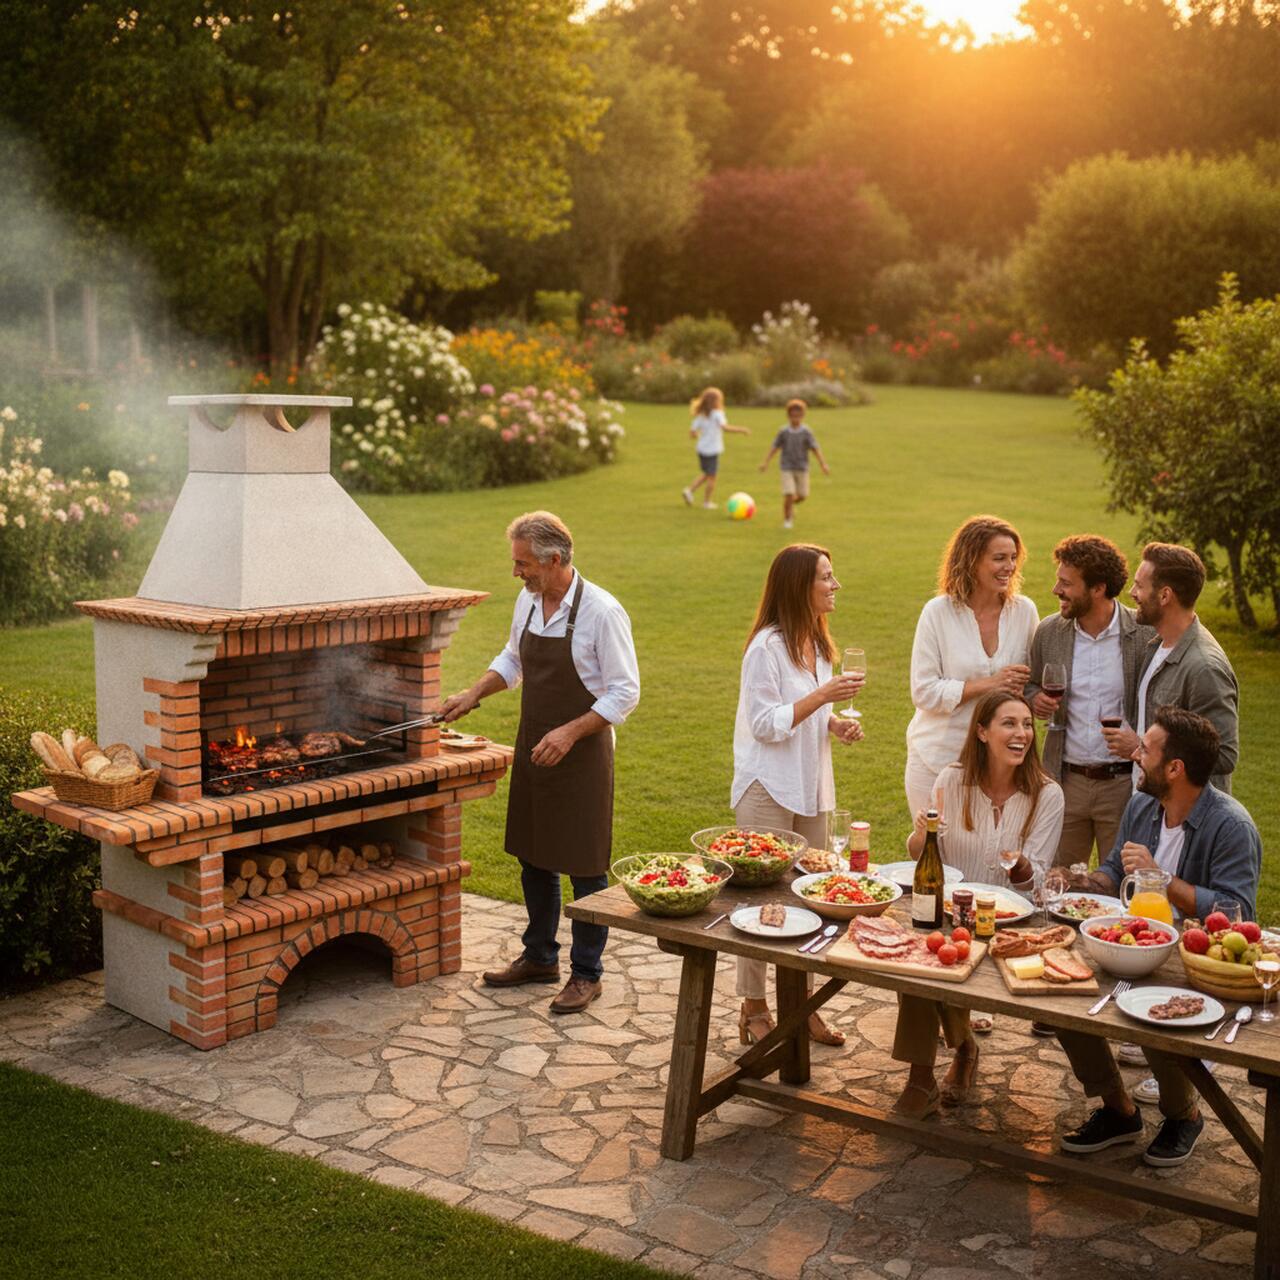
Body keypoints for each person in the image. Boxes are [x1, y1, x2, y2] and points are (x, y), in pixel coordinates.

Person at [440, 511, 640, 1015]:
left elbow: (625, 692)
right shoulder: (529, 601)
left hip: (583, 753)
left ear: (555, 560)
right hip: (536, 743)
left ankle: (587, 973)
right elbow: (514, 659)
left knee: (586, 865)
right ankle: (540, 956)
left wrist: (570, 731)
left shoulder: (602, 612)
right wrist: (473, 693)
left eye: (523, 564)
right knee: (534, 855)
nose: (517, 574)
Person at [1058, 707, 1262, 1166]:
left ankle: (1183, 1115)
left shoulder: (1231, 827)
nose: (1136, 755)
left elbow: (1239, 914)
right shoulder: (1143, 804)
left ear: (1175, 768)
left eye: (1145, 750)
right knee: (1063, 999)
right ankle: (1119, 1110)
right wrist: (1077, 886)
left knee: (1151, 1012)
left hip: (1189, 965)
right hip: (1133, 944)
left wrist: (1160, 877)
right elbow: (1113, 872)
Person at [890, 692, 1065, 1118]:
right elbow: (923, 855)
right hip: (952, 914)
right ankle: (922, 1076)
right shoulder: (950, 781)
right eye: (1009, 723)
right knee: (920, 957)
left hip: (1012, 924)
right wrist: (921, 833)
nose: (1021, 733)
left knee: (947, 955)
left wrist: (1019, 864)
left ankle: (964, 1049)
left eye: (1027, 724)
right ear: (982, 732)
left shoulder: (1047, 794)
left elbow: (1036, 881)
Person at [731, 543, 864, 1046]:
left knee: (812, 896)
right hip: (768, 785)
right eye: (826, 577)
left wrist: (833, 724)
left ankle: (803, 1008)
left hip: (810, 784)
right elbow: (766, 724)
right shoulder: (766, 648)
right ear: (798, 587)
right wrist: (823, 698)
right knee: (760, 902)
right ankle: (754, 1006)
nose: (835, 585)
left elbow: (801, 711)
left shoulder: (817, 641)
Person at [1024, 535, 1155, 867]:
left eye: (1066, 583)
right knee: (1057, 879)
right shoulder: (1050, 632)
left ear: (1098, 589)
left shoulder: (1143, 635)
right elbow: (1031, 685)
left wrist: (1138, 745)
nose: (1056, 590)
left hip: (1123, 784)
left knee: (1122, 882)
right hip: (1066, 782)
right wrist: (1035, 699)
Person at [905, 514, 1039, 818]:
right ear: (971, 560)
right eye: (999, 558)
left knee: (991, 858)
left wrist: (1036, 697)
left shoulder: (1024, 612)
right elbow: (923, 692)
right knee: (933, 855)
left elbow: (1031, 683)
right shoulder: (937, 612)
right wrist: (990, 683)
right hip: (936, 758)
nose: (1009, 567)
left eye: (1014, 558)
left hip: (999, 766)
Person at [1103, 542, 1238, 794]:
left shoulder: (1204, 668)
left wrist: (1142, 746)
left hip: (1185, 821)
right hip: (1151, 806)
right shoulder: (1156, 647)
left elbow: (1224, 756)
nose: (1132, 593)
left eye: (1139, 586)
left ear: (1165, 596)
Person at [758, 398, 829, 529]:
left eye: (798, 416)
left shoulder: (806, 432)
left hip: (802, 467)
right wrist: (766, 462)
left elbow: (815, 448)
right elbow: (775, 447)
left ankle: (789, 505)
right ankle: (787, 520)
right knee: (789, 493)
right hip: (787, 467)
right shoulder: (783, 432)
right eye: (793, 416)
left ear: (803, 416)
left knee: (802, 495)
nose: (795, 419)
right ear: (788, 416)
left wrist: (823, 464)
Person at [683, 386, 750, 510]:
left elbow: (692, 432)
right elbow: (725, 427)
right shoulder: (717, 414)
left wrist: (697, 435)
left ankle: (689, 491)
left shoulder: (701, 415)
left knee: (707, 474)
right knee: (712, 477)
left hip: (702, 450)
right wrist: (741, 430)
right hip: (712, 450)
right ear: (716, 401)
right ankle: (707, 502)